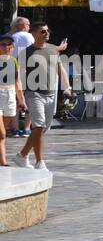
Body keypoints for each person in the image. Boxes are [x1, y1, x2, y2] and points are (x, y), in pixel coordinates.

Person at [17, 21, 72, 171]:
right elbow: (19, 77)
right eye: (43, 31)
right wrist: (20, 98)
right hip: (33, 93)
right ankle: (40, 162)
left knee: (41, 129)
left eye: (48, 31)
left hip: (51, 93)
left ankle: (22, 155)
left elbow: (61, 70)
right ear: (33, 34)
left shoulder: (53, 50)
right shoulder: (26, 53)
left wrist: (66, 88)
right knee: (39, 126)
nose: (47, 33)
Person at [0, 34, 22, 167]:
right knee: (1, 133)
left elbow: (18, 82)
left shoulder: (14, 61)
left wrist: (22, 100)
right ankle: (3, 162)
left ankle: (2, 161)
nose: (7, 47)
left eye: (10, 45)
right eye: (3, 44)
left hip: (10, 95)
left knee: (4, 133)